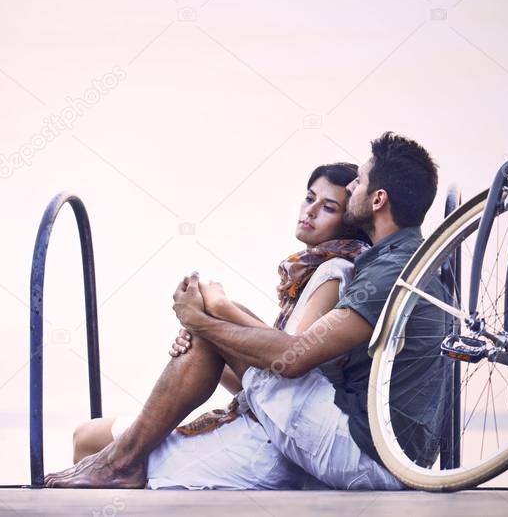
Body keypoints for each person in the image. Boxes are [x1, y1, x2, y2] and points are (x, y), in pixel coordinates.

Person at [44, 132, 444, 491]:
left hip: (371, 454)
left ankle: (120, 464)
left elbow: (296, 356)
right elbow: (290, 358)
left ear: (378, 200)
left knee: (204, 338)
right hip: (378, 448)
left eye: (359, 181)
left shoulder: (383, 269)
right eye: (309, 198)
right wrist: (213, 331)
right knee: (206, 339)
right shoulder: (391, 261)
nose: (353, 183)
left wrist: (203, 319)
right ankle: (120, 462)